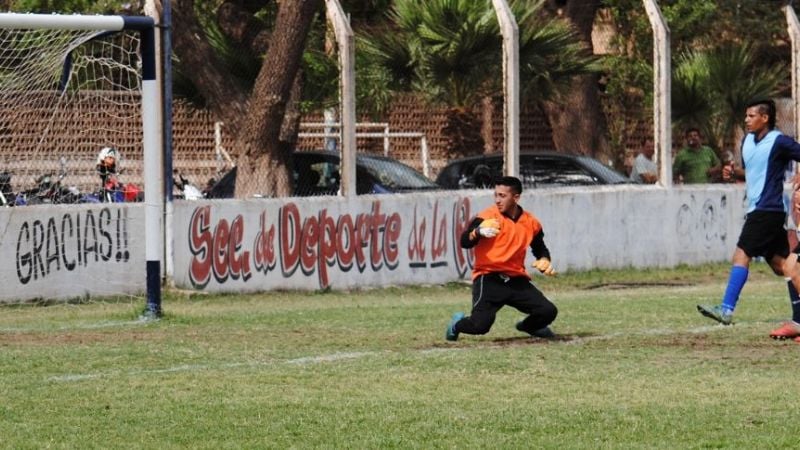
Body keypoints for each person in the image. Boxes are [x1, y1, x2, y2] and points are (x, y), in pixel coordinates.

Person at [697, 99, 800, 342]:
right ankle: (798, 317)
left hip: (767, 210)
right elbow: (754, 172)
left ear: (765, 118)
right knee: (785, 266)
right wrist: (734, 174)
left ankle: (726, 309)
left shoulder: (779, 141)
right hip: (758, 210)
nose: (746, 119)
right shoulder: (747, 142)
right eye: (746, 115)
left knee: (741, 255)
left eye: (751, 115)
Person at [445, 176, 558, 341]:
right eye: (496, 195)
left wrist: (544, 259)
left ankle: (530, 327)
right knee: (480, 326)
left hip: (516, 280)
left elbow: (540, 248)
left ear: (516, 197)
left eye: (502, 196)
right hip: (489, 278)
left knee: (548, 311)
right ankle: (456, 324)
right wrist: (477, 232)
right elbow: (464, 242)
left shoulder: (531, 222)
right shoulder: (487, 217)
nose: (497, 200)